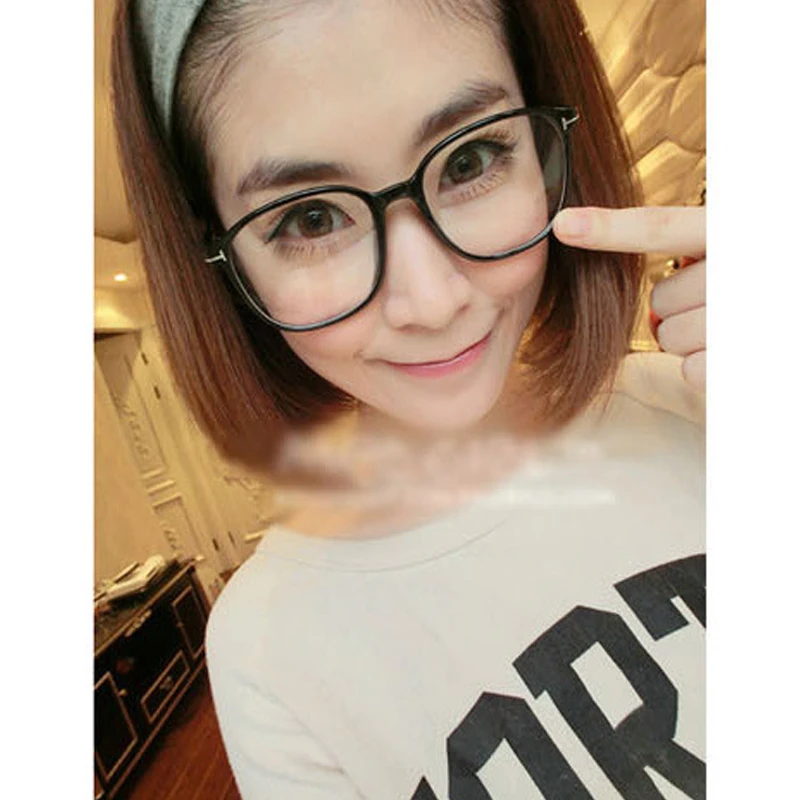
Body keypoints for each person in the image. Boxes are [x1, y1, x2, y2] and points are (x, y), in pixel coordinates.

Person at [111, 0, 706, 797]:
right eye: (310, 219)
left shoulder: (702, 413)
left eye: (469, 160)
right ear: (221, 265)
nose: (430, 301)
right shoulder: (270, 652)